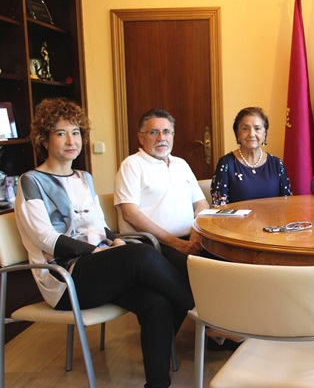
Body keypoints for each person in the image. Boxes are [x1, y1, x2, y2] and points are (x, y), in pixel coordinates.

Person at [14, 98, 194, 388]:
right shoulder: (31, 181)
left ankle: (157, 384)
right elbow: (45, 238)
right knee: (143, 256)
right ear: (44, 139)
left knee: (157, 303)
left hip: (97, 271)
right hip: (65, 280)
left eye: (76, 132)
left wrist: (115, 242)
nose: (71, 140)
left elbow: (102, 228)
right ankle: (202, 310)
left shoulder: (84, 177)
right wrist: (99, 250)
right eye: (61, 133)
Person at [114, 109, 209, 277]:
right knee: (205, 272)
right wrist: (177, 244)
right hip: (154, 245)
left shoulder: (181, 164)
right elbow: (130, 214)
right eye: (153, 132)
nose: (161, 138)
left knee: (228, 262)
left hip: (190, 240)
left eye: (166, 132)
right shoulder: (132, 165)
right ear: (141, 137)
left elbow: (201, 203)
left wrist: (196, 232)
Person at [211, 107, 291, 206]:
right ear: (237, 133)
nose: (251, 134)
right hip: (236, 221)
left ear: (264, 133)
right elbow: (219, 208)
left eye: (257, 128)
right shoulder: (226, 163)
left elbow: (287, 204)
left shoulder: (277, 164)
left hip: (274, 221)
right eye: (245, 128)